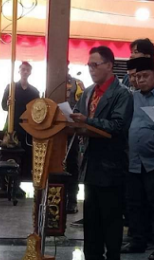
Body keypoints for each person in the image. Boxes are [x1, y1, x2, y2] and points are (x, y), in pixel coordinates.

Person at [67, 46, 134, 260]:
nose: (91, 69)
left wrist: (88, 121)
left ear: (109, 65)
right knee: (92, 215)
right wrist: (69, 119)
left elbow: (117, 126)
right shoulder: (87, 92)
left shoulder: (122, 93)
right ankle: (92, 259)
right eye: (89, 65)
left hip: (111, 163)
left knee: (111, 216)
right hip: (89, 160)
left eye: (95, 65)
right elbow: (77, 114)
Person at [120, 57, 154, 260]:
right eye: (137, 76)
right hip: (133, 160)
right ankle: (137, 240)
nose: (140, 80)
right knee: (134, 203)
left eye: (145, 76)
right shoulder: (132, 98)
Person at [1, 62, 40, 198]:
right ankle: (4, 184)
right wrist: (8, 103)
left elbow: (37, 111)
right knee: (8, 155)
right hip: (12, 126)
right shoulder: (11, 87)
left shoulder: (34, 91)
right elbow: (3, 107)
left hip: (27, 127)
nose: (24, 72)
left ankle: (18, 184)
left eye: (27, 70)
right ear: (19, 71)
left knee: (24, 156)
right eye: (22, 69)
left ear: (30, 72)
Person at [65, 64, 86, 214]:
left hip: (71, 131)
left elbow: (83, 105)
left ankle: (72, 199)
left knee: (72, 164)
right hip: (55, 132)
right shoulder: (51, 82)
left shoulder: (77, 84)